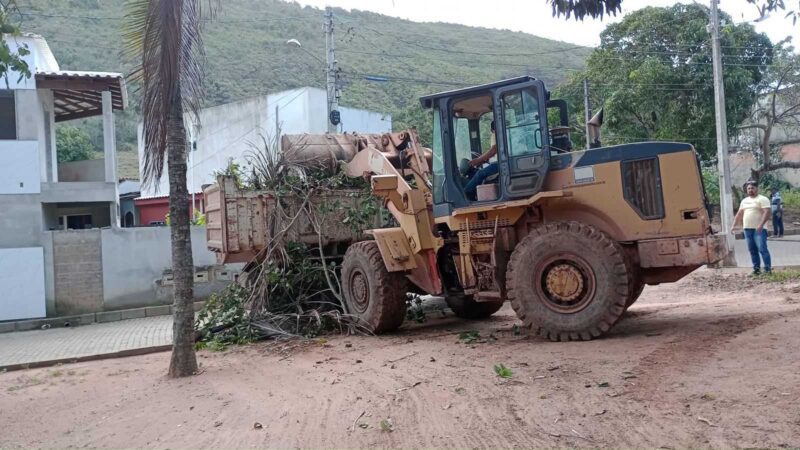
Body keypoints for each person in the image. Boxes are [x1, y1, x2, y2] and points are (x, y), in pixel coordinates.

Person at [731, 181, 772, 275]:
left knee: (762, 249)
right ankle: (756, 270)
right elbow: (739, 214)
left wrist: (761, 225)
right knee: (752, 250)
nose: (750, 190)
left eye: (752, 188)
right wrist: (733, 225)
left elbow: (767, 212)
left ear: (757, 188)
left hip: (759, 229)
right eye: (748, 188)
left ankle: (768, 270)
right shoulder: (744, 201)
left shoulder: (762, 199)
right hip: (747, 229)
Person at [464, 120, 498, 199]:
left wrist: (478, 160)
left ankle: (467, 193)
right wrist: (483, 159)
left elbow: (493, 150)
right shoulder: (502, 134)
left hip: (501, 163)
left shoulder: (495, 134)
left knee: (480, 173)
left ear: (492, 130)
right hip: (503, 162)